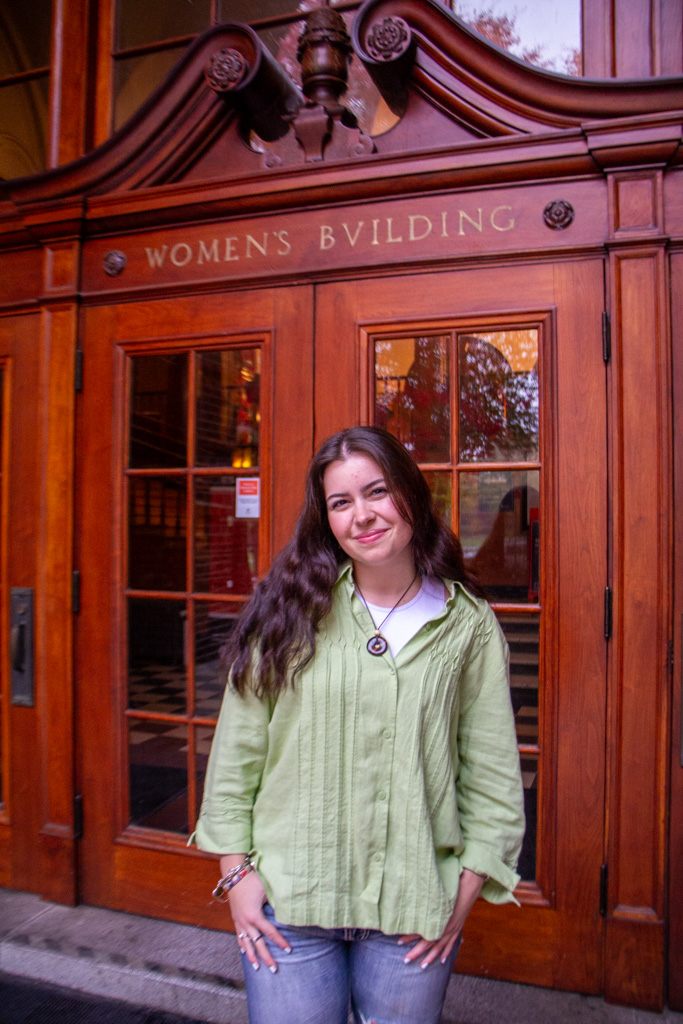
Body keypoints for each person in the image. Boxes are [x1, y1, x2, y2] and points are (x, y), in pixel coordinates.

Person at [192, 426, 525, 1024]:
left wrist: (464, 891)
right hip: (289, 903)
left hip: (414, 907)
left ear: (411, 498)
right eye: (341, 502)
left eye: (377, 492)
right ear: (326, 519)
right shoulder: (289, 612)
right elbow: (237, 757)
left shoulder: (466, 626)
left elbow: (494, 775)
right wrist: (236, 876)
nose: (362, 516)